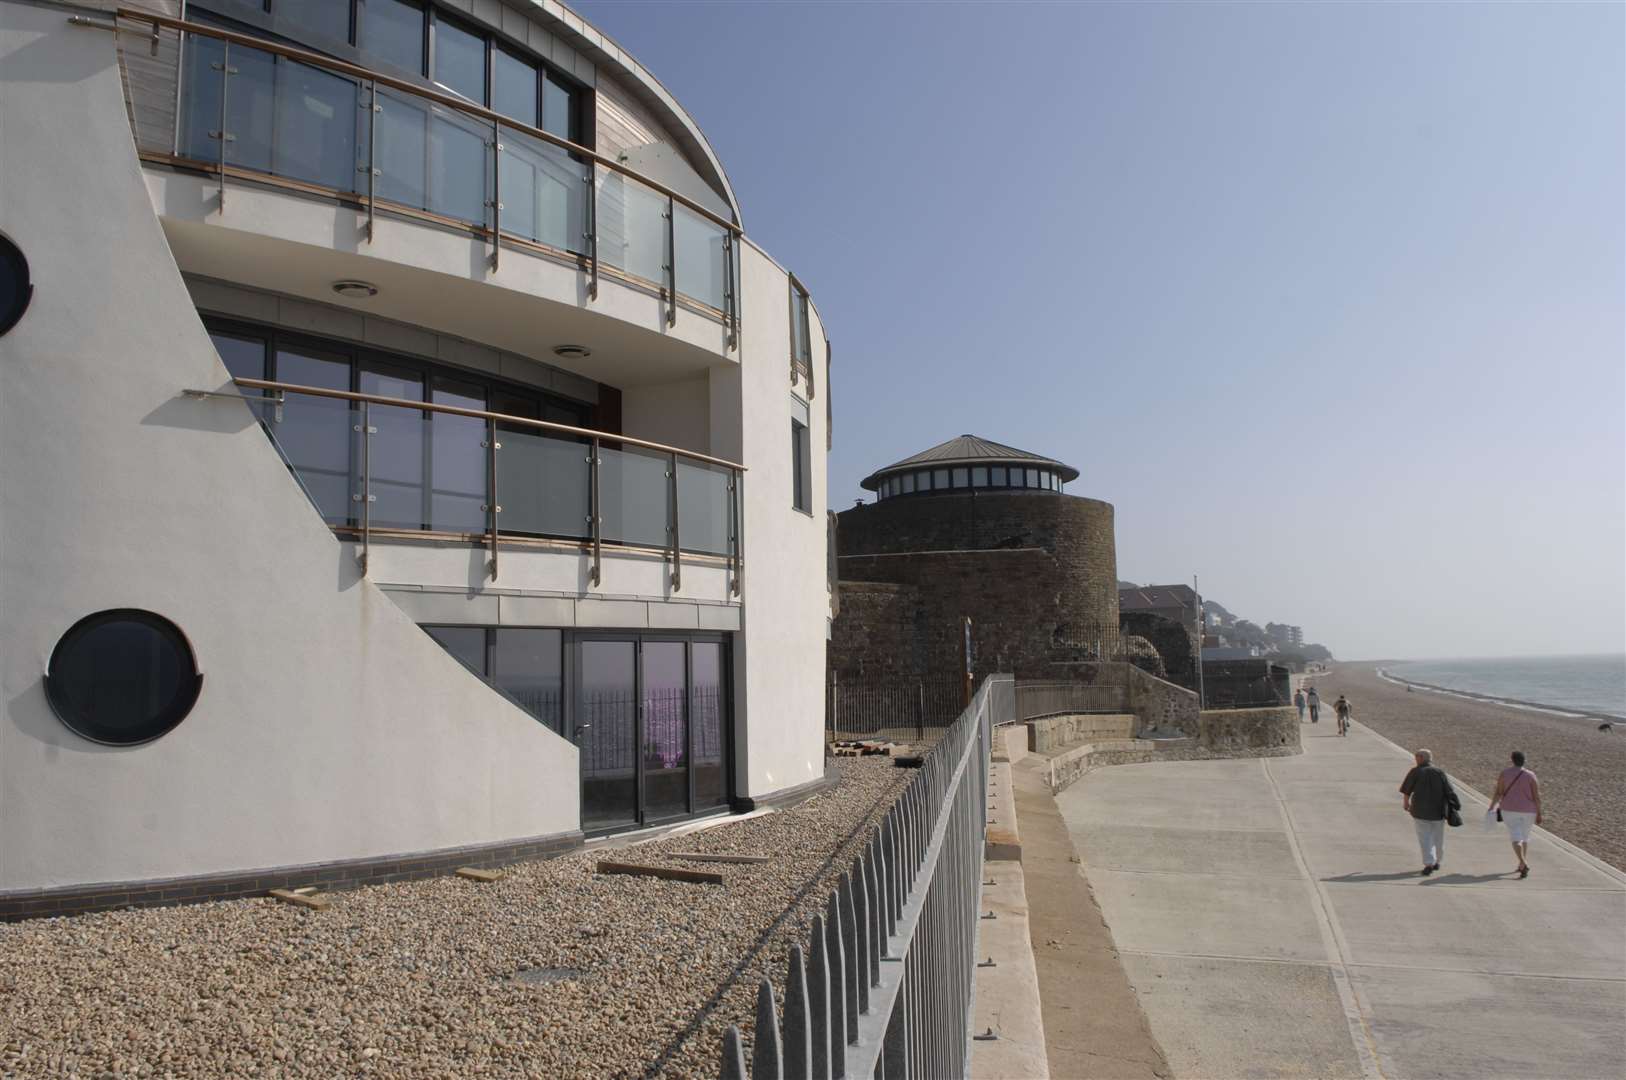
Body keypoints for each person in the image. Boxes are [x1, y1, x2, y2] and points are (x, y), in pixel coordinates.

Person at [1400, 748, 1458, 875]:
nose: (1415, 759)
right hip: (1438, 811)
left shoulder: (1416, 771)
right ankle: (1437, 861)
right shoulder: (1439, 772)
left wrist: (1406, 803)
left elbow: (1407, 790)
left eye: (1417, 757)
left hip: (1420, 811)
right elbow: (1450, 791)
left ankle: (1428, 863)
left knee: (1424, 838)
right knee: (1438, 838)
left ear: (1421, 758)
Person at [1490, 750, 1542, 879]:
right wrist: (1539, 813)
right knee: (1524, 837)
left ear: (1512, 760)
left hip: (1509, 809)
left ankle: (1523, 863)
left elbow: (1499, 792)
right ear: (1524, 760)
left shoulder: (1505, 773)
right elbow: (1537, 796)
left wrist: (1492, 806)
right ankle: (1521, 864)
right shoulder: (1530, 775)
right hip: (1529, 810)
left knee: (1515, 837)